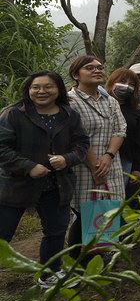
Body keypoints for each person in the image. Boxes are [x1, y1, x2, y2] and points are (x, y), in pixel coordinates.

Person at [0, 72, 90, 283]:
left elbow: (82, 144)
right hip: (17, 185)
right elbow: (1, 147)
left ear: (58, 89)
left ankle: (50, 273)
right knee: (3, 233)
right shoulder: (14, 114)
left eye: (48, 87)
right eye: (35, 87)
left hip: (57, 184)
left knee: (56, 231)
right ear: (28, 90)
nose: (41, 91)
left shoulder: (69, 115)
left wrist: (66, 159)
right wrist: (28, 166)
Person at [66, 56, 128, 251]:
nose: (97, 70)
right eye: (89, 68)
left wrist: (108, 156)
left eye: (100, 68)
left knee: (108, 211)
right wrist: (95, 166)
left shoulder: (110, 101)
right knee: (85, 213)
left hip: (110, 164)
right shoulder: (69, 101)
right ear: (76, 74)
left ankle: (100, 257)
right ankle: (77, 262)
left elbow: (120, 129)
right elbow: (76, 137)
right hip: (84, 167)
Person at [106, 68, 140, 203]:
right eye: (122, 81)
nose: (126, 86)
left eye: (131, 84)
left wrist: (137, 168)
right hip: (98, 159)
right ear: (112, 82)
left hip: (125, 161)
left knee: (117, 200)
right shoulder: (101, 103)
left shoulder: (137, 109)